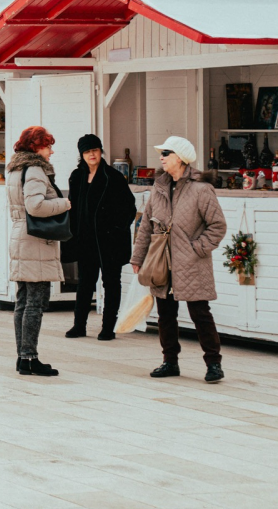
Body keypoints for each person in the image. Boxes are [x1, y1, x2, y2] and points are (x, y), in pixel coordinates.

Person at [132, 136, 228, 383]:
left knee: (200, 313)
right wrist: (138, 257)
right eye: (161, 152)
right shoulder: (159, 188)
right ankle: (169, 362)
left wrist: (196, 249)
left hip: (192, 263)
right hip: (162, 260)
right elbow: (145, 227)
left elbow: (217, 226)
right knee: (165, 314)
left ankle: (214, 364)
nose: (161, 157)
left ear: (181, 157)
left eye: (166, 152)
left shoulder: (201, 189)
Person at [6, 126, 71, 377]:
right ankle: (30, 357)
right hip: (35, 240)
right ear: (36, 147)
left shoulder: (15, 169)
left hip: (21, 236)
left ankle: (23, 357)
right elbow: (35, 206)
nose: (51, 151)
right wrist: (64, 203)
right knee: (35, 301)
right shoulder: (34, 170)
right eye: (47, 146)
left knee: (23, 301)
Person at [64, 134, 138, 341]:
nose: (92, 155)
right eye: (87, 152)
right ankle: (79, 325)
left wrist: (116, 228)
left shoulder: (112, 177)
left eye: (95, 150)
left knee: (111, 283)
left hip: (109, 241)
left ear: (100, 151)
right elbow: (73, 206)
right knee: (85, 283)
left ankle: (108, 328)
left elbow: (129, 207)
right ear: (82, 155)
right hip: (85, 239)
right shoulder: (77, 177)